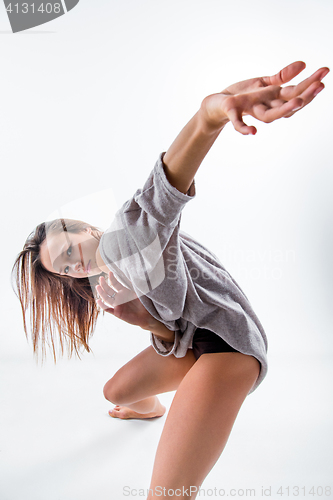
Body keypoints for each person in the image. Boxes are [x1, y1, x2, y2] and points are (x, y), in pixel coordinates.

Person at [12, 61, 329, 499]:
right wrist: (143, 322)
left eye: (69, 250)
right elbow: (173, 328)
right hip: (192, 338)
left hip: (228, 344)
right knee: (115, 392)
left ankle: (200, 393)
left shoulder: (126, 238)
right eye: (65, 269)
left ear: (86, 228)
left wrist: (209, 116)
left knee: (164, 495)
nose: (75, 265)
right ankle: (150, 408)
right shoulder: (114, 281)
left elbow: (162, 191)